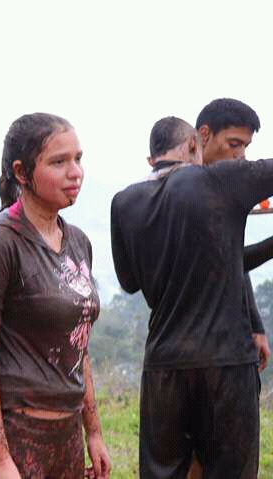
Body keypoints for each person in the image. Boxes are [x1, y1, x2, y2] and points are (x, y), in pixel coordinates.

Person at [110, 116, 273, 478]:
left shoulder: (124, 202)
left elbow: (129, 282)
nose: (240, 156)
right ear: (194, 145)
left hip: (164, 364)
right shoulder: (221, 179)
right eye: (237, 146)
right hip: (225, 361)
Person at [0, 112, 111, 479]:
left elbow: (79, 346)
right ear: (22, 172)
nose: (75, 172)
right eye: (59, 162)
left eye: (78, 159)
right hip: (15, 435)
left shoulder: (78, 242)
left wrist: (93, 432)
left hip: (65, 435)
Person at [186, 98, 273, 479]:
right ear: (204, 136)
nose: (240, 157)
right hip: (195, 348)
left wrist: (255, 324)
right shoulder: (186, 193)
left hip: (229, 340)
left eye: (245, 148)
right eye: (234, 145)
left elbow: (232, 262)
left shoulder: (227, 191)